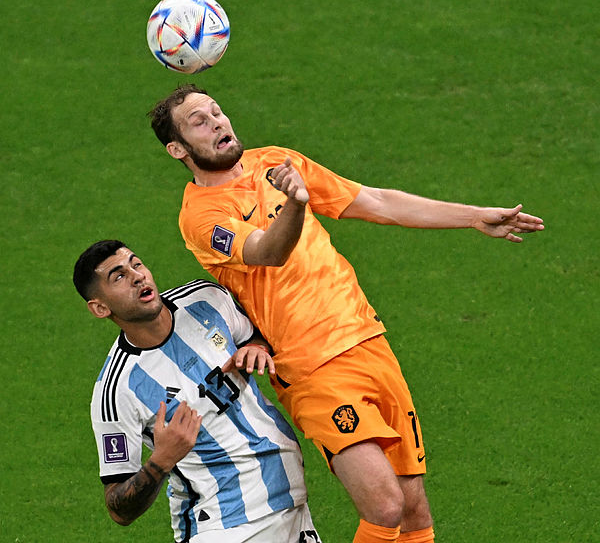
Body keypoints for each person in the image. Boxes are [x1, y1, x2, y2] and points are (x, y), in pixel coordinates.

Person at [148, 84, 545, 543]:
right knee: (384, 507)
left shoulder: (275, 160)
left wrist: (472, 216)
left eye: (217, 112)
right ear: (178, 149)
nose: (218, 122)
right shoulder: (201, 216)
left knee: (414, 511)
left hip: (367, 339)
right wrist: (296, 203)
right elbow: (268, 251)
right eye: (199, 121)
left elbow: (374, 201)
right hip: (311, 367)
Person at [73, 239, 322, 543]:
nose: (137, 276)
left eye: (136, 264)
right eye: (119, 276)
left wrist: (257, 347)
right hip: (222, 525)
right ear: (100, 307)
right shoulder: (117, 391)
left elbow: (256, 334)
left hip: (291, 498)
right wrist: (162, 460)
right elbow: (118, 509)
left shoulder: (205, 299)